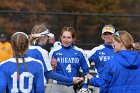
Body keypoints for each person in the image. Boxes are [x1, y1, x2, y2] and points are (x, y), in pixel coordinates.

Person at [27, 24, 83, 91]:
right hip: (35, 87)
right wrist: (71, 79)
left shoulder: (25, 49)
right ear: (43, 37)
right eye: (47, 36)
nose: (48, 38)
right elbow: (49, 74)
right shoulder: (42, 52)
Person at [49, 26, 90, 93]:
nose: (66, 40)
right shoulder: (54, 52)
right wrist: (53, 66)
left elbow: (86, 72)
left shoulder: (80, 52)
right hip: (57, 87)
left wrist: (84, 86)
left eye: (69, 37)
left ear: (73, 39)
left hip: (73, 87)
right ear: (60, 37)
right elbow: (50, 73)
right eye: (64, 37)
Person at [87, 24, 115, 92]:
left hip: (115, 85)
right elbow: (83, 62)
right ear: (102, 36)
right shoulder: (97, 50)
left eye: (110, 34)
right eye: (105, 34)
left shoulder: (119, 49)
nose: (108, 36)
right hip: (100, 85)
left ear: (114, 36)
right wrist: (87, 75)